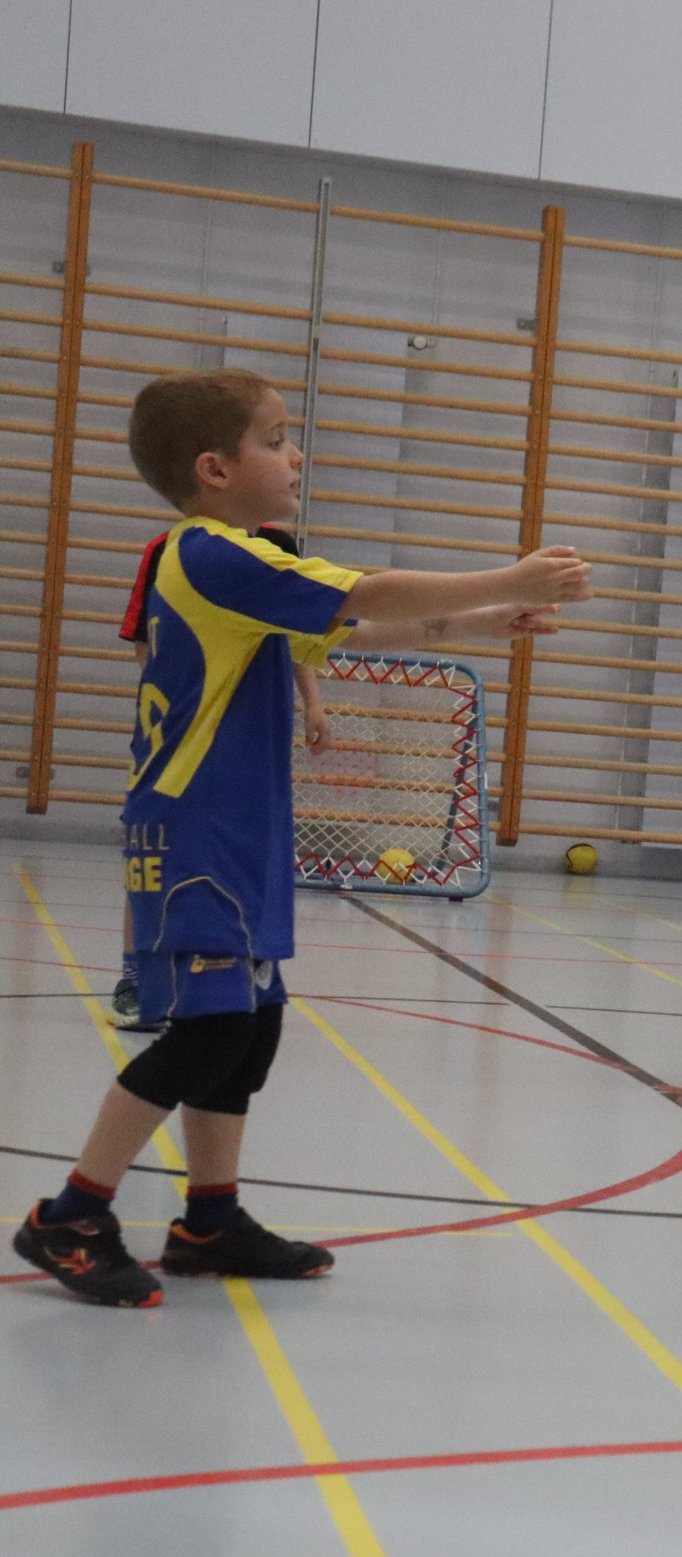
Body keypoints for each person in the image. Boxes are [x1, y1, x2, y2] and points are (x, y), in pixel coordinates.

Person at [13, 367, 587, 1308]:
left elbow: (347, 629)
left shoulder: (240, 570)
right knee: (210, 1032)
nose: (295, 455)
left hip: (242, 831)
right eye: (276, 439)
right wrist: (508, 575)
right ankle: (69, 1214)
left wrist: (490, 620)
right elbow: (369, 589)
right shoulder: (209, 555)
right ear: (215, 468)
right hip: (197, 829)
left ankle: (209, 1218)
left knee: (252, 1026)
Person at [107, 521, 330, 1034]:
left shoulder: (277, 544)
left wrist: (314, 701)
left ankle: (235, 967)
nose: (293, 475)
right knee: (156, 861)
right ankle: (137, 976)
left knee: (244, 855)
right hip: (181, 739)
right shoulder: (174, 551)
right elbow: (146, 645)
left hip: (247, 742)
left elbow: (300, 631)